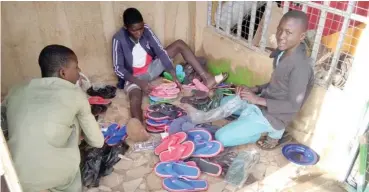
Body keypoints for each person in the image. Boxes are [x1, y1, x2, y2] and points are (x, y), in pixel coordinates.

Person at [4, 45, 104, 191]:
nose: (79, 72)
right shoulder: (76, 95)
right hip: (57, 174)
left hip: (16, 177)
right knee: (75, 119)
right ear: (63, 73)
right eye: (76, 67)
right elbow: (97, 141)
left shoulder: (16, 90)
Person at [112, 8, 228, 130]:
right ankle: (140, 127)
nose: (139, 33)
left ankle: (206, 78)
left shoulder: (146, 30)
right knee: (135, 98)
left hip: (151, 68)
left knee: (179, 44)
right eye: (134, 30)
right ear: (126, 27)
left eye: (140, 28)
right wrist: (139, 82)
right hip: (133, 77)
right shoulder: (118, 39)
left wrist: (172, 73)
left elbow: (160, 51)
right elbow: (118, 69)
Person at [215, 10, 314, 150]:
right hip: (264, 101)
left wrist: (256, 99)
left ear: (301, 36)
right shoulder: (283, 52)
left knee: (221, 137)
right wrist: (254, 89)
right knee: (224, 103)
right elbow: (278, 84)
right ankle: (248, 122)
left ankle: (269, 132)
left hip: (275, 115)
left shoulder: (301, 67)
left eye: (288, 32)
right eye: (280, 30)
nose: (281, 36)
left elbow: (293, 105)